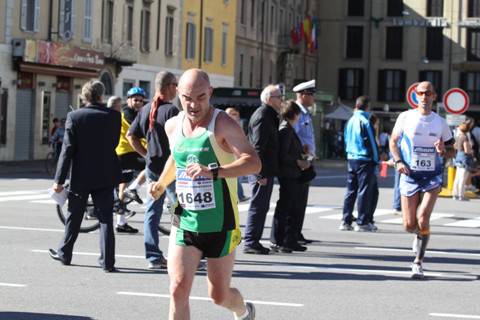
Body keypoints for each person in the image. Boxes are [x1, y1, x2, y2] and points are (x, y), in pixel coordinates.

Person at [149, 68, 261, 320]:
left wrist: (214, 172)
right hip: (185, 220)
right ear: (177, 92)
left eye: (200, 97)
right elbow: (176, 158)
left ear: (210, 92)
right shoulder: (172, 125)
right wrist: (160, 183)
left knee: (218, 296)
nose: (193, 105)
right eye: (187, 98)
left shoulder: (222, 124)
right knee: (177, 289)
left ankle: (243, 311)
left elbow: (253, 162)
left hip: (220, 223)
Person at [48, 80, 121, 272]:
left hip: (82, 175)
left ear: (85, 96)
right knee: (106, 219)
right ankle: (108, 262)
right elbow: (113, 143)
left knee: (74, 215)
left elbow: (67, 151)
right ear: (101, 95)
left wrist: (59, 180)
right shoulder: (114, 116)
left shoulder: (75, 116)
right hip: (106, 174)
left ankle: (65, 253)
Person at [390, 81, 455, 279]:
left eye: (428, 94)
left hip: (432, 176)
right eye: (421, 93)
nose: (424, 97)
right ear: (415, 96)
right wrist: (398, 161)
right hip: (409, 175)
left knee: (423, 218)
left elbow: (452, 151)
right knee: (409, 225)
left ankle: (418, 262)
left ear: (434, 96)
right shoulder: (405, 117)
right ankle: (419, 234)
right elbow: (393, 142)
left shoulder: (440, 122)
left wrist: (444, 150)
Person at [126, 71, 179, 269]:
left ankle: (153, 256)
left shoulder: (146, 109)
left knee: (152, 212)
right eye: (175, 84)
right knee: (180, 210)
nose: (177, 88)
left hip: (152, 169)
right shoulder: (171, 111)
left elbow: (131, 136)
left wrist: (146, 154)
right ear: (167, 87)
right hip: (170, 171)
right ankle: (183, 254)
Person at [243, 84, 282, 255]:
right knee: (258, 205)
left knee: (262, 205)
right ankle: (251, 241)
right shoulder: (263, 115)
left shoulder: (268, 115)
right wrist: (259, 173)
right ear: (268, 99)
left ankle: (254, 240)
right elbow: (258, 147)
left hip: (264, 169)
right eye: (278, 97)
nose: (281, 100)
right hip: (260, 170)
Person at [270, 101, 310, 253]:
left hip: (291, 173)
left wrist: (302, 154)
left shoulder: (288, 128)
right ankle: (278, 240)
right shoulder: (286, 129)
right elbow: (283, 154)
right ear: (295, 114)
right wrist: (298, 160)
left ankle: (288, 240)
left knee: (291, 207)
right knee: (285, 207)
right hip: (288, 174)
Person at [339, 96, 379, 232]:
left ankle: (346, 220)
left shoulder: (350, 120)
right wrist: (376, 158)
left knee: (351, 190)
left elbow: (345, 139)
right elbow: (371, 143)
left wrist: (348, 153)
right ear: (367, 106)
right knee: (365, 191)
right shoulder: (365, 121)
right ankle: (362, 222)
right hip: (365, 159)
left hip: (351, 157)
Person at [115, 87, 148, 233]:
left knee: (123, 186)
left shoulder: (136, 113)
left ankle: (121, 223)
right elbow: (139, 133)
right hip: (125, 152)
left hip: (129, 152)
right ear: (128, 100)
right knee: (152, 165)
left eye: (141, 100)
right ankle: (134, 188)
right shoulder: (127, 114)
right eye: (135, 100)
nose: (139, 103)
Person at [292, 79, 317, 244]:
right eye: (311, 94)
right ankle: (293, 233)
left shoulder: (306, 113)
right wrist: (301, 157)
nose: (313, 98)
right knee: (295, 200)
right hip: (300, 161)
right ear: (302, 95)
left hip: (306, 160)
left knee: (301, 200)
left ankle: (297, 232)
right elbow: (294, 136)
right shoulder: (297, 112)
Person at [225, 106, 249, 202]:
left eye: (235, 114)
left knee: (237, 176)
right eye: (232, 114)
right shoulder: (225, 125)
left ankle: (239, 195)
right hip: (230, 153)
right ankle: (239, 195)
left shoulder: (237, 124)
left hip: (236, 153)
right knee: (236, 176)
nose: (234, 115)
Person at [452, 120, 474, 201]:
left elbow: (455, 146)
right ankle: (461, 195)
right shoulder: (464, 137)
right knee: (462, 178)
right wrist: (471, 151)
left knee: (457, 177)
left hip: (458, 157)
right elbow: (467, 150)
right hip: (464, 159)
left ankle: (455, 194)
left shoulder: (459, 136)